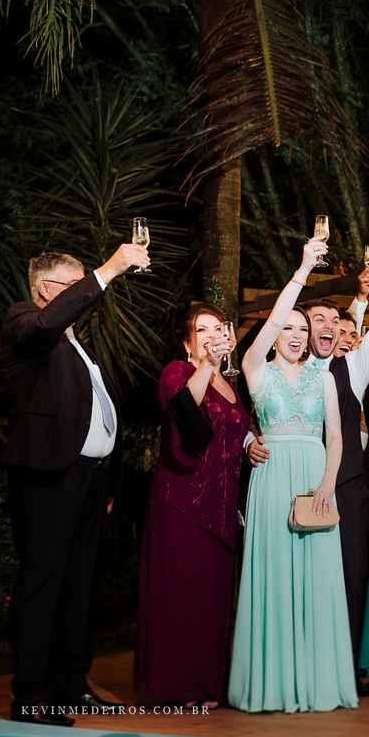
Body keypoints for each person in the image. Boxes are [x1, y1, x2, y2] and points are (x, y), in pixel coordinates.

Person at [0, 244, 147, 726]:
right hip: (50, 478)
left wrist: (108, 483)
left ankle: (71, 686)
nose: (85, 293)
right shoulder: (24, 322)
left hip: (90, 481)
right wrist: (109, 270)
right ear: (46, 290)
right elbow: (43, 327)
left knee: (81, 586)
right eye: (74, 284)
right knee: (43, 584)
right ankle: (31, 697)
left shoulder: (80, 349)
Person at [227, 239, 359, 713]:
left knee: (319, 582)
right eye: (288, 327)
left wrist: (328, 483)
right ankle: (273, 684)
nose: (298, 335)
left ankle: (318, 681)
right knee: (274, 580)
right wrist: (302, 270)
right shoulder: (255, 370)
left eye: (304, 329)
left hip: (315, 481)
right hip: (272, 482)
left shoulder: (323, 378)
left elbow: (336, 438)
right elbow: (272, 322)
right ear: (274, 332)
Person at [299, 256, 369, 692]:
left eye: (335, 321)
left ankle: (342, 669)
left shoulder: (353, 368)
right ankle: (300, 666)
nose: (329, 327)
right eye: (318, 320)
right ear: (301, 330)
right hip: (297, 488)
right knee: (301, 579)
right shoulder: (286, 371)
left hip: (348, 490)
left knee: (351, 577)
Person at [134, 303, 247, 709]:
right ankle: (181, 689)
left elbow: (232, 434)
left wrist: (251, 445)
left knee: (211, 602)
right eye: (202, 330)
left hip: (221, 506)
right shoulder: (178, 371)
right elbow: (184, 411)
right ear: (187, 342)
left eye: (218, 328)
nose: (212, 336)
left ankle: (208, 685)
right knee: (183, 599)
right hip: (181, 500)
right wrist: (208, 364)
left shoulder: (231, 384)